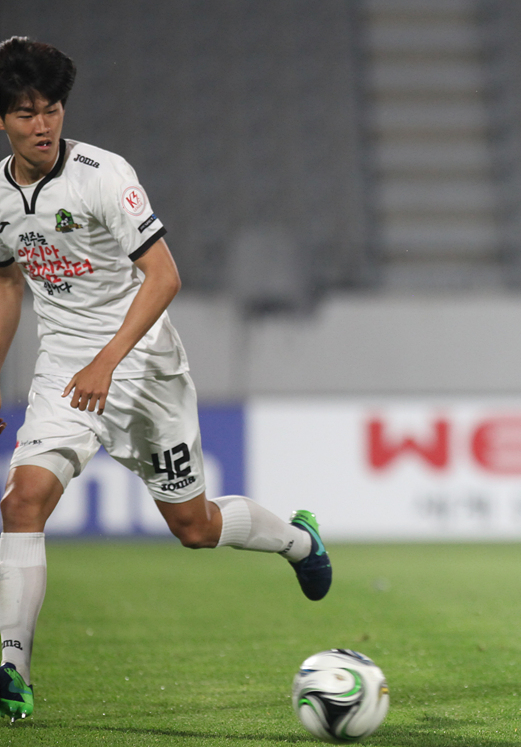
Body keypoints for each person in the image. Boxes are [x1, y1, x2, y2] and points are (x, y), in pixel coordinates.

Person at [0, 37, 332, 723]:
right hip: (64, 369)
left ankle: (299, 540)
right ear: (3, 119)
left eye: (53, 108)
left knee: (194, 527)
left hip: (144, 365)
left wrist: (108, 359)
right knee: (22, 502)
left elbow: (164, 276)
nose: (43, 124)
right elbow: (7, 284)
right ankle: (12, 669)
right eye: (27, 112)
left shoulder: (102, 175)